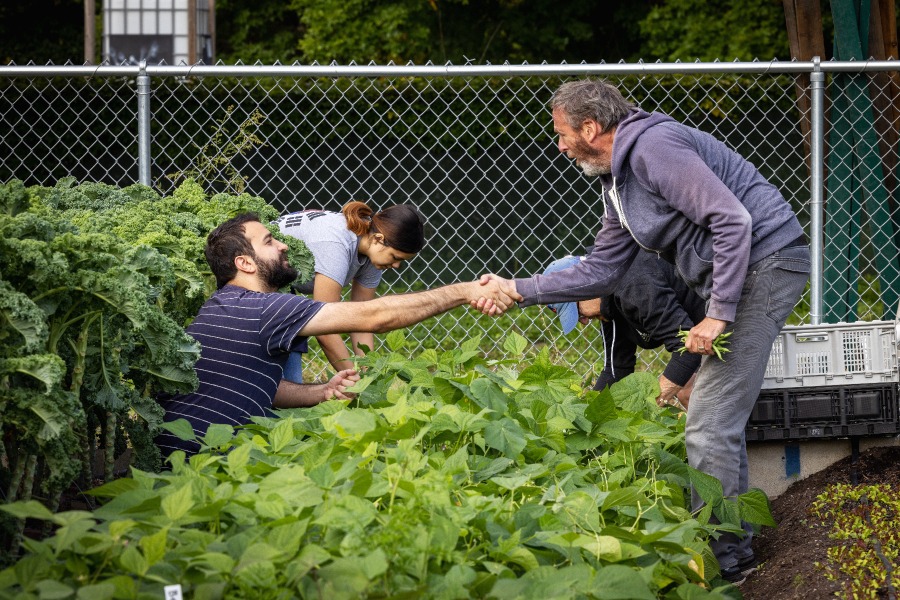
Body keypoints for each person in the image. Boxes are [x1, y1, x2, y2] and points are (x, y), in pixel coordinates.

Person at [477, 79, 810, 585]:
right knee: (713, 417)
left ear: (590, 127)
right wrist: (517, 287)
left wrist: (717, 314)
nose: (560, 145)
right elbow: (601, 271)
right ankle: (737, 548)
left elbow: (732, 219)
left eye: (563, 134)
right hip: (746, 275)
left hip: (767, 264)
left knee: (707, 422)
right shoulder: (618, 183)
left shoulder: (654, 148)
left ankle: (725, 564)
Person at [156, 212, 517, 457]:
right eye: (269, 241)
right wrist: (463, 291)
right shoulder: (265, 308)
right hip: (198, 462)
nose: (283, 243)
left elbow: (256, 383)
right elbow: (371, 316)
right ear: (245, 263)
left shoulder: (225, 306)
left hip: (183, 454)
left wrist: (322, 391)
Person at [274, 201, 426, 380]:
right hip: (258, 283)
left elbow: (363, 319)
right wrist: (356, 383)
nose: (396, 265)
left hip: (281, 288)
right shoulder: (336, 243)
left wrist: (368, 374)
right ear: (378, 238)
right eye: (395, 257)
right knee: (284, 384)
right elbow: (324, 326)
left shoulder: (372, 253)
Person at [542, 251, 706, 409]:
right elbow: (616, 369)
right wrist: (589, 417)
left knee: (690, 391)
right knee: (686, 386)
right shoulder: (607, 302)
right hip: (697, 336)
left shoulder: (633, 284)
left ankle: (723, 435)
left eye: (578, 312)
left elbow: (688, 348)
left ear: (586, 286)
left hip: (720, 321)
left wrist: (650, 405)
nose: (584, 321)